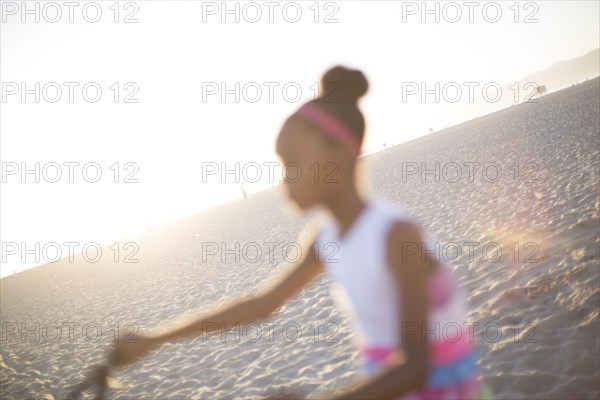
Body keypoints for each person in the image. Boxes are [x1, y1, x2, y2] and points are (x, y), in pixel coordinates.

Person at [109, 66, 490, 399]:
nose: (284, 178)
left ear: (338, 153)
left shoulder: (394, 235)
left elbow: (416, 366)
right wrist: (154, 339)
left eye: (292, 162)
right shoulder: (326, 240)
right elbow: (261, 304)